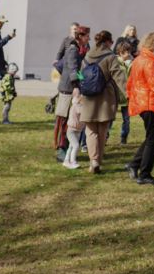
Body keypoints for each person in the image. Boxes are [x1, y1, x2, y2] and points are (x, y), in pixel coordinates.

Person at [125, 32, 154, 185]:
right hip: (150, 104)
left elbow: (130, 83)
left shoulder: (138, 60)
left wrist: (131, 98)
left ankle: (134, 165)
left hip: (142, 103)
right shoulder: (150, 62)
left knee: (152, 137)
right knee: (153, 140)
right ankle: (144, 174)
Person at [71, 31, 120, 173]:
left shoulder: (87, 56)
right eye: (111, 42)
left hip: (88, 98)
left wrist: (80, 88)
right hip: (105, 98)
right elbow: (119, 77)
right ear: (108, 42)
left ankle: (93, 160)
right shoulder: (111, 57)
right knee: (102, 131)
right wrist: (130, 93)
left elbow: (80, 75)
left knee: (90, 131)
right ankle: (98, 160)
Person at [53, 24, 88, 158]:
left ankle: (66, 147)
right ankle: (61, 149)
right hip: (68, 90)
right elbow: (73, 68)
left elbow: (77, 70)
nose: (88, 39)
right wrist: (75, 86)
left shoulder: (79, 49)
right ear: (80, 36)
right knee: (64, 120)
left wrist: (82, 79)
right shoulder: (73, 49)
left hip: (71, 87)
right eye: (87, 36)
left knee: (70, 120)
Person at [113, 41, 134, 144]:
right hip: (116, 95)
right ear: (120, 53)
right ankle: (105, 137)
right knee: (110, 119)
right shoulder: (115, 62)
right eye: (126, 52)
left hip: (127, 96)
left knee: (126, 120)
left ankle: (123, 138)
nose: (129, 54)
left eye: (129, 52)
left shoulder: (131, 63)